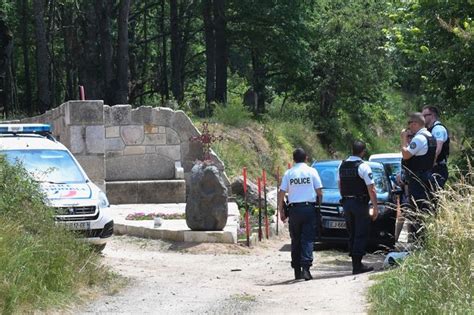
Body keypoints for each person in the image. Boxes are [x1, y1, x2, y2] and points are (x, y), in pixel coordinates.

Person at [278, 148, 323, 281]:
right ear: (306, 158)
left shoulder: (289, 173)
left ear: (293, 159)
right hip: (309, 209)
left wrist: (281, 210)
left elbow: (281, 193)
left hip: (294, 211)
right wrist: (319, 205)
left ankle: (297, 270)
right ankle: (306, 269)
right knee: (308, 239)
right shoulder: (311, 171)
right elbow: (319, 192)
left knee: (295, 239)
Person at [338, 140, 378, 275]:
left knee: (352, 233)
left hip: (346, 203)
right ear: (363, 152)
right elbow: (371, 189)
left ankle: (356, 263)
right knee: (360, 233)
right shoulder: (363, 166)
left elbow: (340, 185)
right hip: (359, 204)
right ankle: (357, 266)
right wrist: (375, 207)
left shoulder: (341, 166)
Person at [400, 112, 437, 242]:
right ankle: (423, 241)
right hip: (427, 177)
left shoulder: (419, 138)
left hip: (417, 179)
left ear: (415, 123)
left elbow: (406, 155)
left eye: (409, 123)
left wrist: (403, 138)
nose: (408, 127)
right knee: (425, 210)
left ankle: (418, 242)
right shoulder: (431, 137)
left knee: (417, 211)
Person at [421, 105, 450, 188]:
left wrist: (430, 165)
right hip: (434, 168)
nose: (422, 118)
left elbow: (437, 149)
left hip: (437, 168)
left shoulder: (438, 129)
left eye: (424, 116)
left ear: (432, 115)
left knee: (434, 196)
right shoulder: (430, 129)